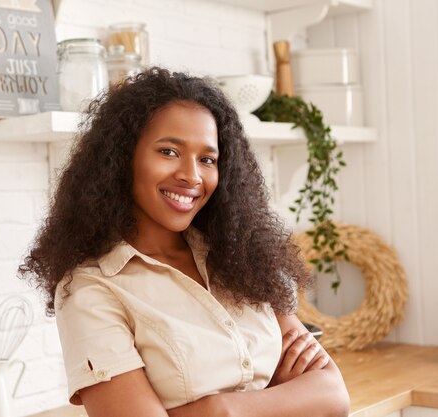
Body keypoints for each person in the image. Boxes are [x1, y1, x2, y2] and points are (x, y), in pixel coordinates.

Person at [19, 67, 350, 417]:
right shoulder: (90, 290)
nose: (192, 176)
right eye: (169, 152)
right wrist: (270, 398)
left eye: (207, 159)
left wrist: (221, 409)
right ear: (122, 158)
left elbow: (333, 394)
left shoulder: (241, 260)